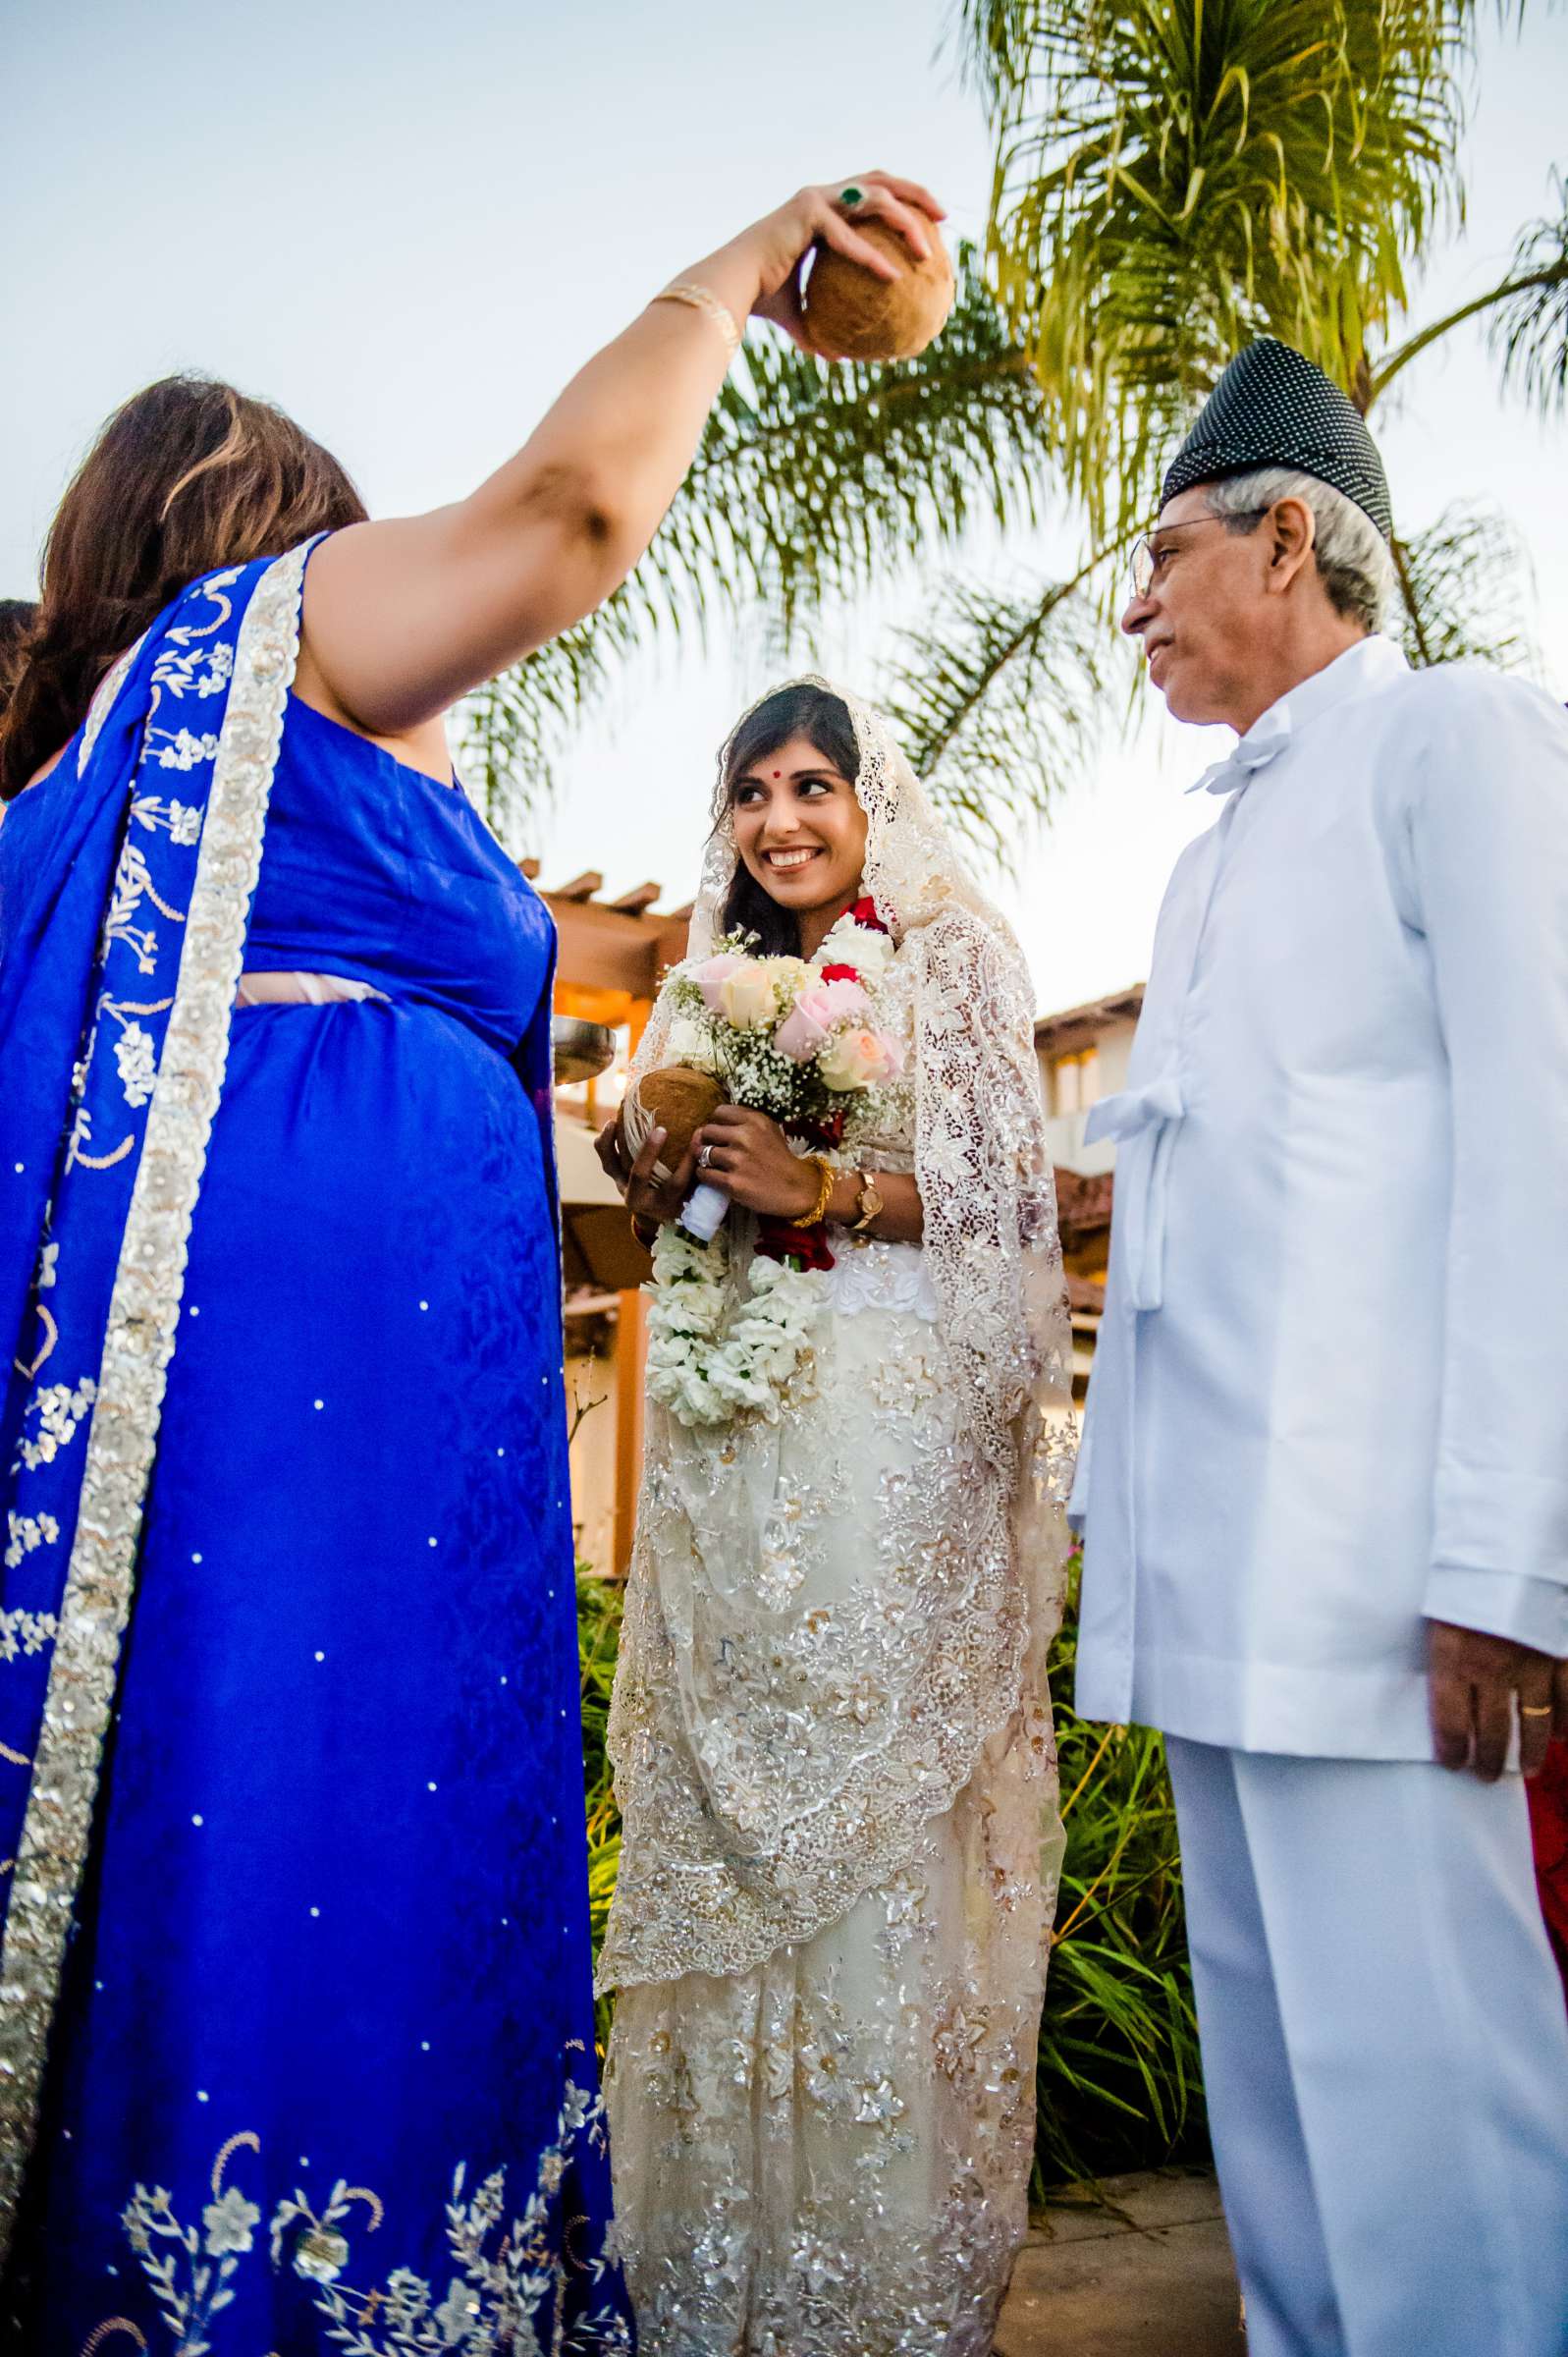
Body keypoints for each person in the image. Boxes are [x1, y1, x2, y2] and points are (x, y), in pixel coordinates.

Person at [0, 171, 943, 2348]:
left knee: (361, 1850)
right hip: (303, 1426)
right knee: (300, 1836)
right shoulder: (249, 664)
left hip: (394, 1417)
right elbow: (569, 520)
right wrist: (748, 265)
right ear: (263, 547)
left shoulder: (129, 777)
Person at [1070, 338, 1568, 2357]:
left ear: (1293, 537)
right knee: (1277, 2124)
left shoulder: (1453, 738)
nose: (1135, 604)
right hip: (1215, 1584)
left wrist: (1501, 1565)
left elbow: (1543, 1145)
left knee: (1430, 2121)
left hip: (1385, 1591)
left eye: (1167, 551)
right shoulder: (1201, 859)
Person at [591, 680, 1075, 2357]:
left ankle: (871, 2292)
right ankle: (711, 2278)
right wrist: (652, 1148)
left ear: (875, 801)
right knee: (722, 1841)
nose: (780, 820)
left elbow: (1015, 1200)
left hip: (890, 1439)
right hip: (733, 1448)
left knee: (873, 1841)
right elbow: (662, 1196)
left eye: (814, 785)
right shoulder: (703, 983)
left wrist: (837, 1191)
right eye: (751, 793)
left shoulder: (951, 955)